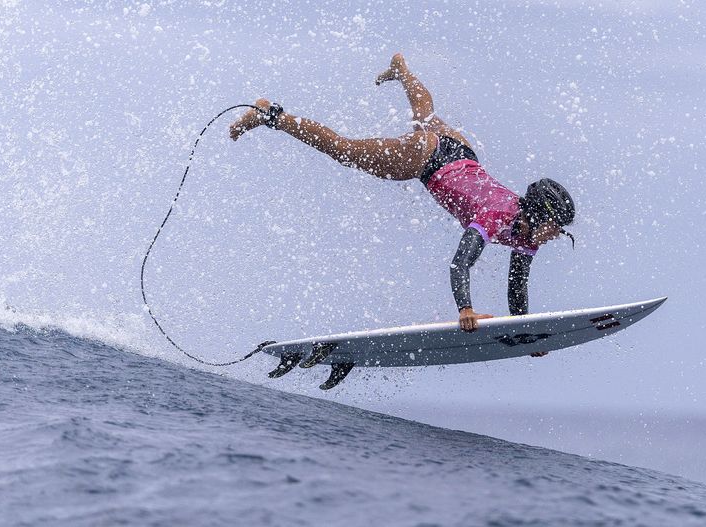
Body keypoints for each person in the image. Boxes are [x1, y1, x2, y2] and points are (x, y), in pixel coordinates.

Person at [229, 53, 575, 353]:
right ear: (537, 215)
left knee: (426, 114)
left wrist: (526, 333)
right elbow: (459, 264)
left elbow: (517, 284)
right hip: (428, 157)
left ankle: (401, 69)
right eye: (555, 228)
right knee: (344, 151)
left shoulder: (528, 237)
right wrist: (466, 309)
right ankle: (270, 114)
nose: (555, 236)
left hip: (460, 151)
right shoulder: (497, 216)